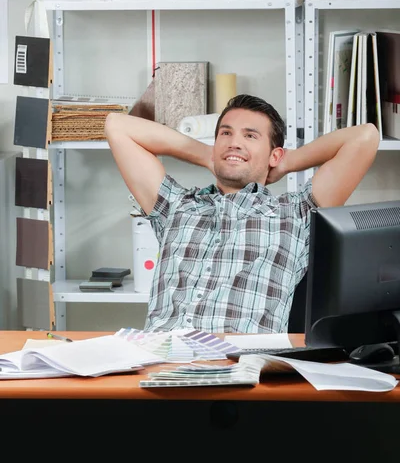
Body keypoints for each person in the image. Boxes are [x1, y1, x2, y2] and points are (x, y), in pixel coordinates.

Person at [104, 94, 380, 334]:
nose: (234, 142)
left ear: (275, 154)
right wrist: (208, 155)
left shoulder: (295, 215)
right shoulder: (176, 206)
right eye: (226, 133)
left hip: (240, 369)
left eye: (250, 136)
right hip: (160, 364)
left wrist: (286, 163)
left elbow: (365, 136)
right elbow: (117, 126)